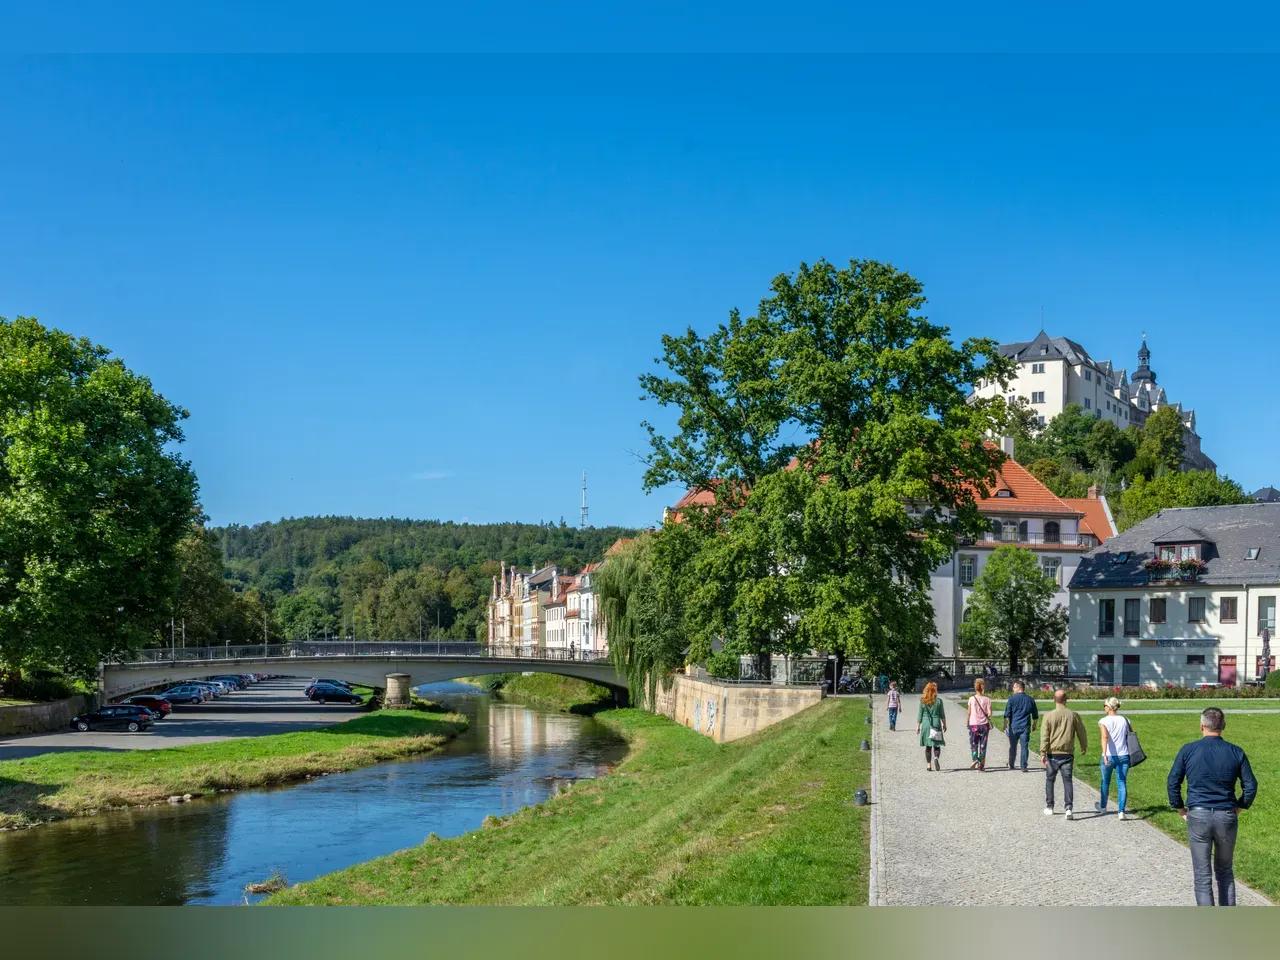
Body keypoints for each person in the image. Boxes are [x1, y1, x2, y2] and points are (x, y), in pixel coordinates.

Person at [1167, 707, 1258, 906]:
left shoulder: (1188, 750)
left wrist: (1180, 808)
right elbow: (1251, 786)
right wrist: (1240, 806)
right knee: (1225, 871)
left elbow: (1173, 781)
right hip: (1226, 815)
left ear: (1202, 726)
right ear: (1223, 726)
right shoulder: (1236, 751)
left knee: (1202, 875)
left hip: (1198, 815)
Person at [1040, 688, 1088, 819]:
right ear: (1066, 700)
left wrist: (1043, 752)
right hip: (1067, 753)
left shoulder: (1048, 716)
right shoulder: (1073, 715)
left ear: (1054, 700)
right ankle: (1068, 808)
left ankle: (1050, 806)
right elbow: (1081, 732)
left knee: (1050, 780)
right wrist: (1084, 745)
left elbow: (1044, 736)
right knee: (1067, 781)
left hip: (1052, 753)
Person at [1095, 696, 1132, 819]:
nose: (1104, 708)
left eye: (1104, 705)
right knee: (1122, 782)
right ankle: (1121, 811)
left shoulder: (1103, 721)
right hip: (1124, 755)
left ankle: (1103, 807)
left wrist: (1104, 754)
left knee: (1105, 781)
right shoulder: (1125, 720)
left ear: (1109, 707)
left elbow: (1105, 737)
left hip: (1109, 755)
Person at [1002, 680, 1039, 772]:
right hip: (1025, 726)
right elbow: (1035, 715)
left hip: (1013, 726)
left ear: (1019, 687)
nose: (1013, 689)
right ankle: (1024, 766)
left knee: (1013, 746)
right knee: (1024, 747)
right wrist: (1034, 725)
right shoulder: (1030, 699)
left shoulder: (1011, 699)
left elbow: (1007, 714)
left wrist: (1005, 725)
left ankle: (1011, 764)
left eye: (1014, 687)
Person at [916, 681, 947, 772]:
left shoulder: (922, 700)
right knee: (936, 744)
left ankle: (929, 765)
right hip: (935, 723)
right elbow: (942, 714)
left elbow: (920, 715)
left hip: (926, 724)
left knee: (928, 745)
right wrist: (944, 724)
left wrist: (918, 726)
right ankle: (936, 757)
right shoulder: (939, 701)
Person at [966, 678, 993, 771]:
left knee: (974, 743)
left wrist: (967, 722)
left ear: (975, 687)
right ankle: (981, 765)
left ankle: (975, 759)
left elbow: (969, 712)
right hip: (984, 725)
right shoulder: (987, 699)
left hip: (973, 724)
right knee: (983, 745)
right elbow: (989, 713)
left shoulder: (971, 699)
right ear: (983, 687)